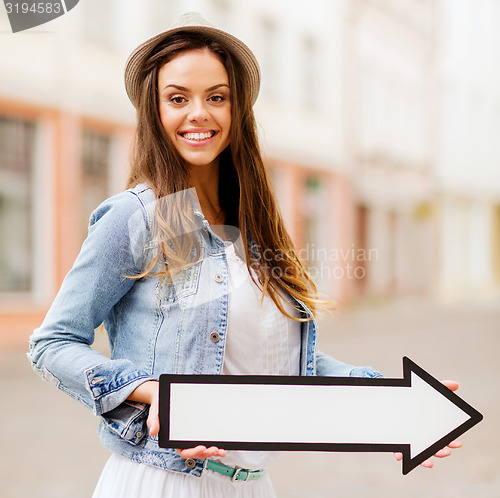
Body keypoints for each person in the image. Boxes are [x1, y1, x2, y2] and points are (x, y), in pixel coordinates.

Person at [27, 12, 461, 498]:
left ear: (238, 111)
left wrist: (388, 401)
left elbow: (283, 366)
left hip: (252, 486)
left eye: (217, 97)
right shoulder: (139, 218)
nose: (199, 113)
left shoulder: (253, 229)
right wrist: (157, 396)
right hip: (165, 482)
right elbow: (52, 344)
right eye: (177, 99)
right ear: (155, 112)